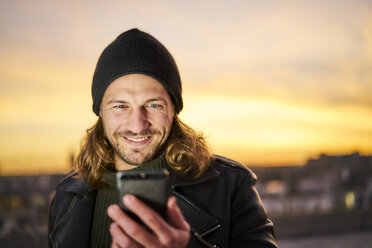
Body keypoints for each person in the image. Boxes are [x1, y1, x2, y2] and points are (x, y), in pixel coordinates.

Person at [48, 28, 278, 248]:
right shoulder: (67, 196)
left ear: (174, 110)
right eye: (120, 106)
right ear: (100, 113)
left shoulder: (232, 187)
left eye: (153, 104)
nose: (138, 125)